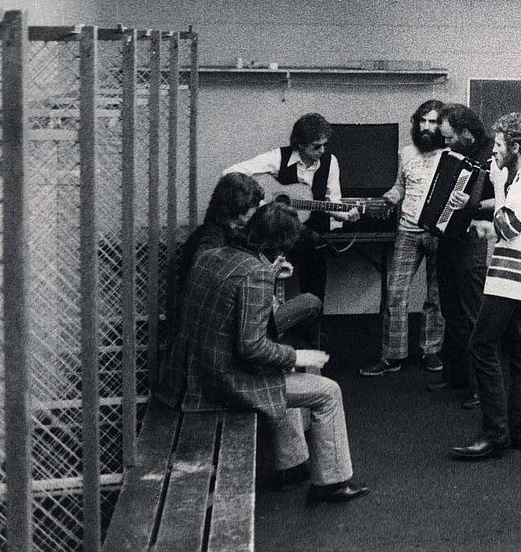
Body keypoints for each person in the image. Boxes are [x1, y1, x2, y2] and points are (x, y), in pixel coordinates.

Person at [158, 201, 369, 503]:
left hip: (191, 372)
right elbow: (252, 346)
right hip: (221, 383)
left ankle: (293, 464)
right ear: (282, 245)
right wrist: (298, 356)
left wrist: (267, 273)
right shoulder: (257, 275)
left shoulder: (213, 255)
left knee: (286, 367)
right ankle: (331, 483)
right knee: (327, 391)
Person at [450, 112, 521, 460]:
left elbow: (509, 225)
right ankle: (519, 431)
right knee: (519, 351)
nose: (493, 151)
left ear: (516, 146)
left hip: (513, 274)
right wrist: (489, 225)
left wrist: (496, 184)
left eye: (498, 145)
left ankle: (495, 432)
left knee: (481, 345)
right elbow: (512, 222)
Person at [166, 172, 323, 397]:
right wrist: (267, 276)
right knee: (311, 303)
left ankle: (302, 364)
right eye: (250, 213)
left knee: (304, 316)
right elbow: (220, 296)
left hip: (226, 332)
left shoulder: (215, 235)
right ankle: (305, 363)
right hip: (223, 344)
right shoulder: (210, 244)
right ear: (235, 212)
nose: (253, 219)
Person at [223, 113, 360, 302]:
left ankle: (310, 327)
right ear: (300, 144)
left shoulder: (330, 162)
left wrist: (345, 215)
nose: (322, 150)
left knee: (315, 288)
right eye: (316, 146)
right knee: (264, 285)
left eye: (324, 145)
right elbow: (230, 172)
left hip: (310, 235)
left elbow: (333, 201)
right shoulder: (279, 156)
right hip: (276, 235)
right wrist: (258, 202)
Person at [359, 100, 446, 377]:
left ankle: (431, 350)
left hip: (437, 233)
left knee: (436, 296)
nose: (427, 127)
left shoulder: (450, 153)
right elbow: (400, 186)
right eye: (423, 121)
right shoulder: (406, 152)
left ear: (441, 126)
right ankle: (392, 356)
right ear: (416, 123)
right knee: (395, 294)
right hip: (407, 231)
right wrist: (392, 196)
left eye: (433, 122)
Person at [425, 103, 497, 410]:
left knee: (471, 314)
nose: (446, 144)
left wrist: (473, 204)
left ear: (466, 133)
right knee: (450, 310)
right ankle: (456, 376)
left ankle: (481, 388)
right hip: (448, 237)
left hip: (472, 240)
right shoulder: (456, 152)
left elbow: (505, 199)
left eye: (450, 138)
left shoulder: (493, 156)